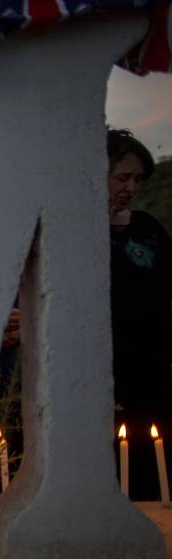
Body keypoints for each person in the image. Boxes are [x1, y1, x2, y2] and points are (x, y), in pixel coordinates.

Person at [107, 129, 171, 501]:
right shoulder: (68, 230)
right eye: (121, 177)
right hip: (103, 378)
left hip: (154, 374)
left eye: (138, 179)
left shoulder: (146, 228)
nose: (131, 187)